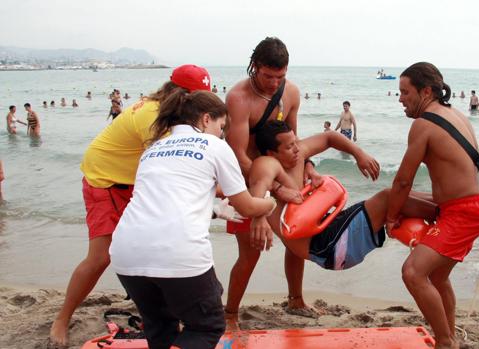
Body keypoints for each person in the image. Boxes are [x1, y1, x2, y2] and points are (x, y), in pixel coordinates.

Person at [49, 64, 213, 346]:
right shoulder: (153, 115)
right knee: (100, 257)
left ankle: (168, 314)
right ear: (180, 94)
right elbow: (174, 167)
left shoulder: (170, 113)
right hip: (105, 179)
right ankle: (62, 319)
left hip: (132, 182)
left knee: (163, 245)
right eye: (196, 98)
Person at [110, 90, 276, 349]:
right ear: (206, 119)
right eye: (221, 126)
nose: (222, 134)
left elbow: (163, 201)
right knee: (207, 325)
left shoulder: (154, 148)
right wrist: (270, 202)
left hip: (126, 253)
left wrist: (214, 211)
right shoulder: (215, 146)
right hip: (178, 253)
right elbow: (247, 205)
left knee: (160, 326)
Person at [387, 62, 479, 349]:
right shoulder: (455, 115)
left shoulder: (424, 124)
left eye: (405, 92)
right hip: (470, 206)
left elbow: (403, 182)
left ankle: (446, 342)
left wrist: (391, 217)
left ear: (426, 91)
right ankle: (451, 335)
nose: (400, 99)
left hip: (463, 212)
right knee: (437, 275)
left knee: (413, 273)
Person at [248, 121, 438, 270]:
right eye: (289, 147)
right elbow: (259, 183)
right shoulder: (267, 163)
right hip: (326, 247)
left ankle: (444, 204)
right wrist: (259, 216)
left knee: (401, 194)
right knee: (388, 198)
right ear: (271, 153)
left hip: (332, 234)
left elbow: (329, 137)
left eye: (295, 142)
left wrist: (358, 153)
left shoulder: (297, 156)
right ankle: (445, 215)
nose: (298, 149)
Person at [224, 37, 317, 325]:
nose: (274, 83)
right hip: (248, 180)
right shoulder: (238, 97)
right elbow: (238, 154)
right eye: (268, 76)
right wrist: (269, 194)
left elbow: (293, 141)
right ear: (254, 67)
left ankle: (296, 300)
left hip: (282, 174)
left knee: (296, 240)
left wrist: (308, 164)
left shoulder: (291, 93)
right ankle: (231, 313)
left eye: (281, 76)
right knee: (251, 253)